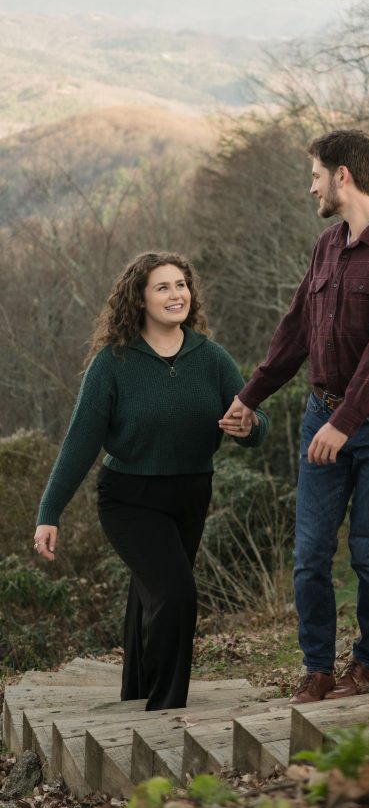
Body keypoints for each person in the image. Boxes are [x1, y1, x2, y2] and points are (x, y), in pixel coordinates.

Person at [221, 130, 369, 704]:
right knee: (311, 554)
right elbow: (295, 331)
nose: (310, 185)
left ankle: (367, 663)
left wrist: (347, 424)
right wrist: (250, 396)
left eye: (315, 173)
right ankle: (316, 668)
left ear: (343, 176)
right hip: (323, 416)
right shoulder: (326, 247)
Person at [34, 251, 268, 711]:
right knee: (176, 593)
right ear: (139, 299)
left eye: (181, 285)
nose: (175, 294)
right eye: (162, 287)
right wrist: (49, 512)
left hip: (192, 493)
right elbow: (80, 443)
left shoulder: (211, 357)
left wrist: (252, 426)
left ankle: (136, 691)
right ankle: (165, 708)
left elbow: (253, 422)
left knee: (151, 592)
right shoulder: (113, 363)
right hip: (129, 498)